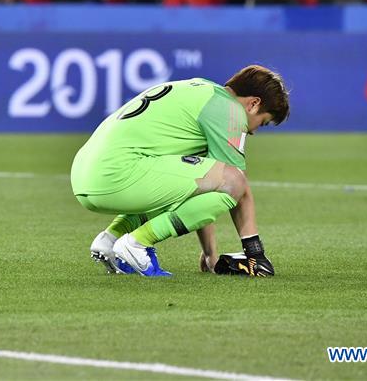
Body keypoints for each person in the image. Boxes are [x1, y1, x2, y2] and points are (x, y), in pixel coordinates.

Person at [71, 65, 289, 277]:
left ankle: (109, 240)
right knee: (235, 180)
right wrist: (254, 254)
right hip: (116, 175)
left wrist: (210, 254)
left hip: (86, 172)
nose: (253, 131)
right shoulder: (229, 111)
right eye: (263, 122)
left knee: (207, 177)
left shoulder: (200, 90)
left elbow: (203, 184)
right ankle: (136, 243)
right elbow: (238, 185)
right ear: (253, 104)